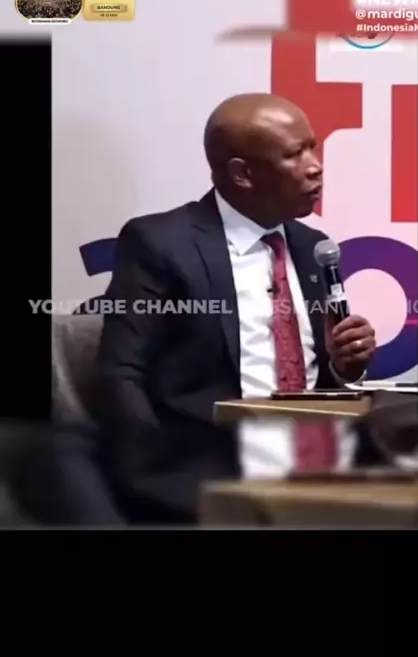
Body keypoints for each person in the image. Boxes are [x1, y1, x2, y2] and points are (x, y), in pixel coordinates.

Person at [98, 93, 376, 523]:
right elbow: (121, 373)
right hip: (210, 472)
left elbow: (327, 377)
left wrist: (344, 366)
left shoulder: (312, 248)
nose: (316, 166)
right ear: (242, 174)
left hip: (326, 467)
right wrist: (152, 474)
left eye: (313, 147)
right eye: (294, 154)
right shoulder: (162, 244)